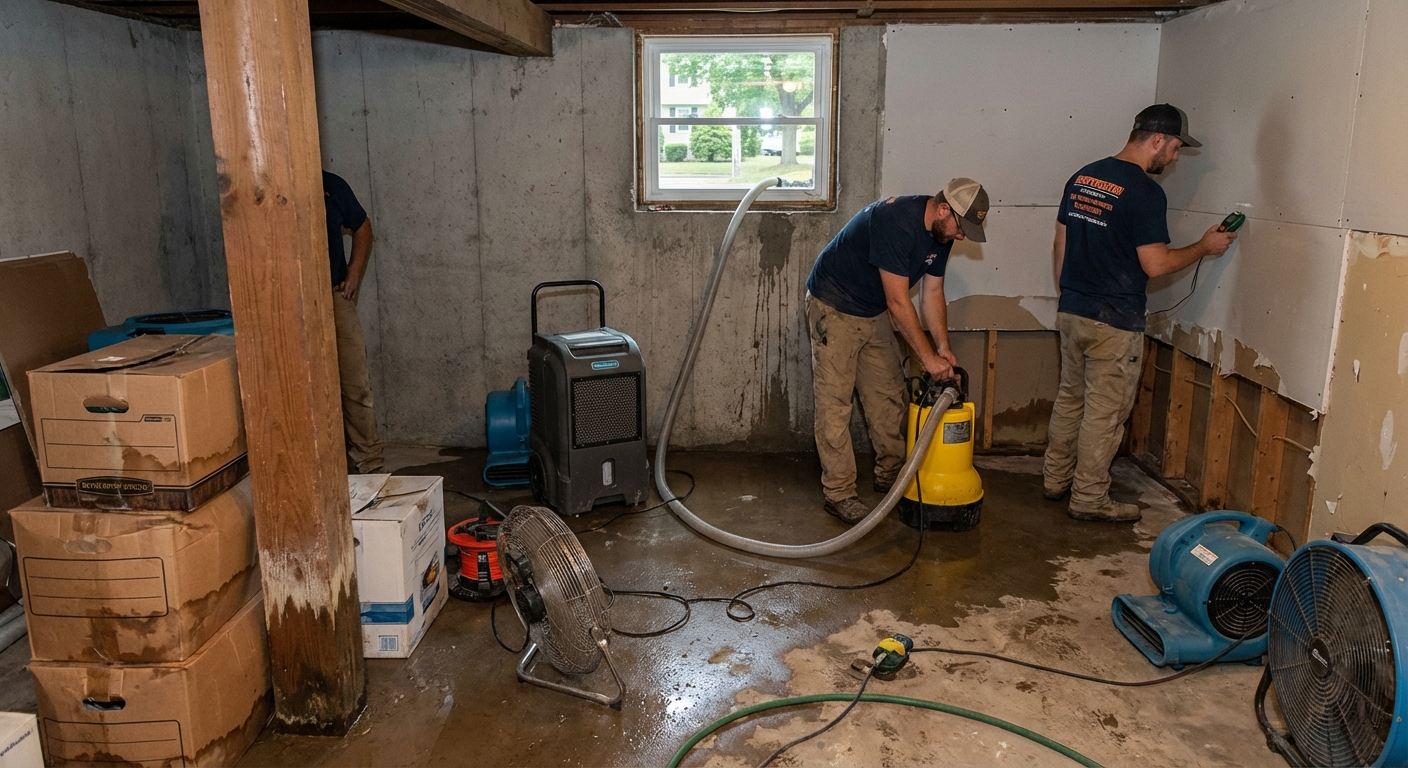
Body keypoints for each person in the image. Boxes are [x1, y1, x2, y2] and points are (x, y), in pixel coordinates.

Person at [1043, 104, 1236, 522]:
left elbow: (1060, 241)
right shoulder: (1146, 193)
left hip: (1073, 310)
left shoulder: (1083, 176)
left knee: (1070, 400)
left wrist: (1070, 295)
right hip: (1114, 322)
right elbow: (1156, 265)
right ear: (1157, 139)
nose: (1174, 158)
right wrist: (1204, 247)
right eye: (1175, 148)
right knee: (1105, 413)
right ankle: (1089, 498)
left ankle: (1055, 480)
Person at [804, 177, 990, 523]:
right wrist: (928, 359)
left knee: (888, 395)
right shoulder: (897, 222)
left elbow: (932, 294)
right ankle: (840, 491)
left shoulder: (941, 233)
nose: (961, 236)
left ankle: (891, 476)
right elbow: (899, 301)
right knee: (835, 404)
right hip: (834, 305)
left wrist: (943, 348)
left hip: (872, 310)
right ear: (943, 208)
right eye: (960, 227)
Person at [323, 170, 385, 475]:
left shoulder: (330, 186)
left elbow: (362, 226)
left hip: (333, 296)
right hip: (286, 304)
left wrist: (353, 273)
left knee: (354, 381)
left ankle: (369, 461)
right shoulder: (266, 188)